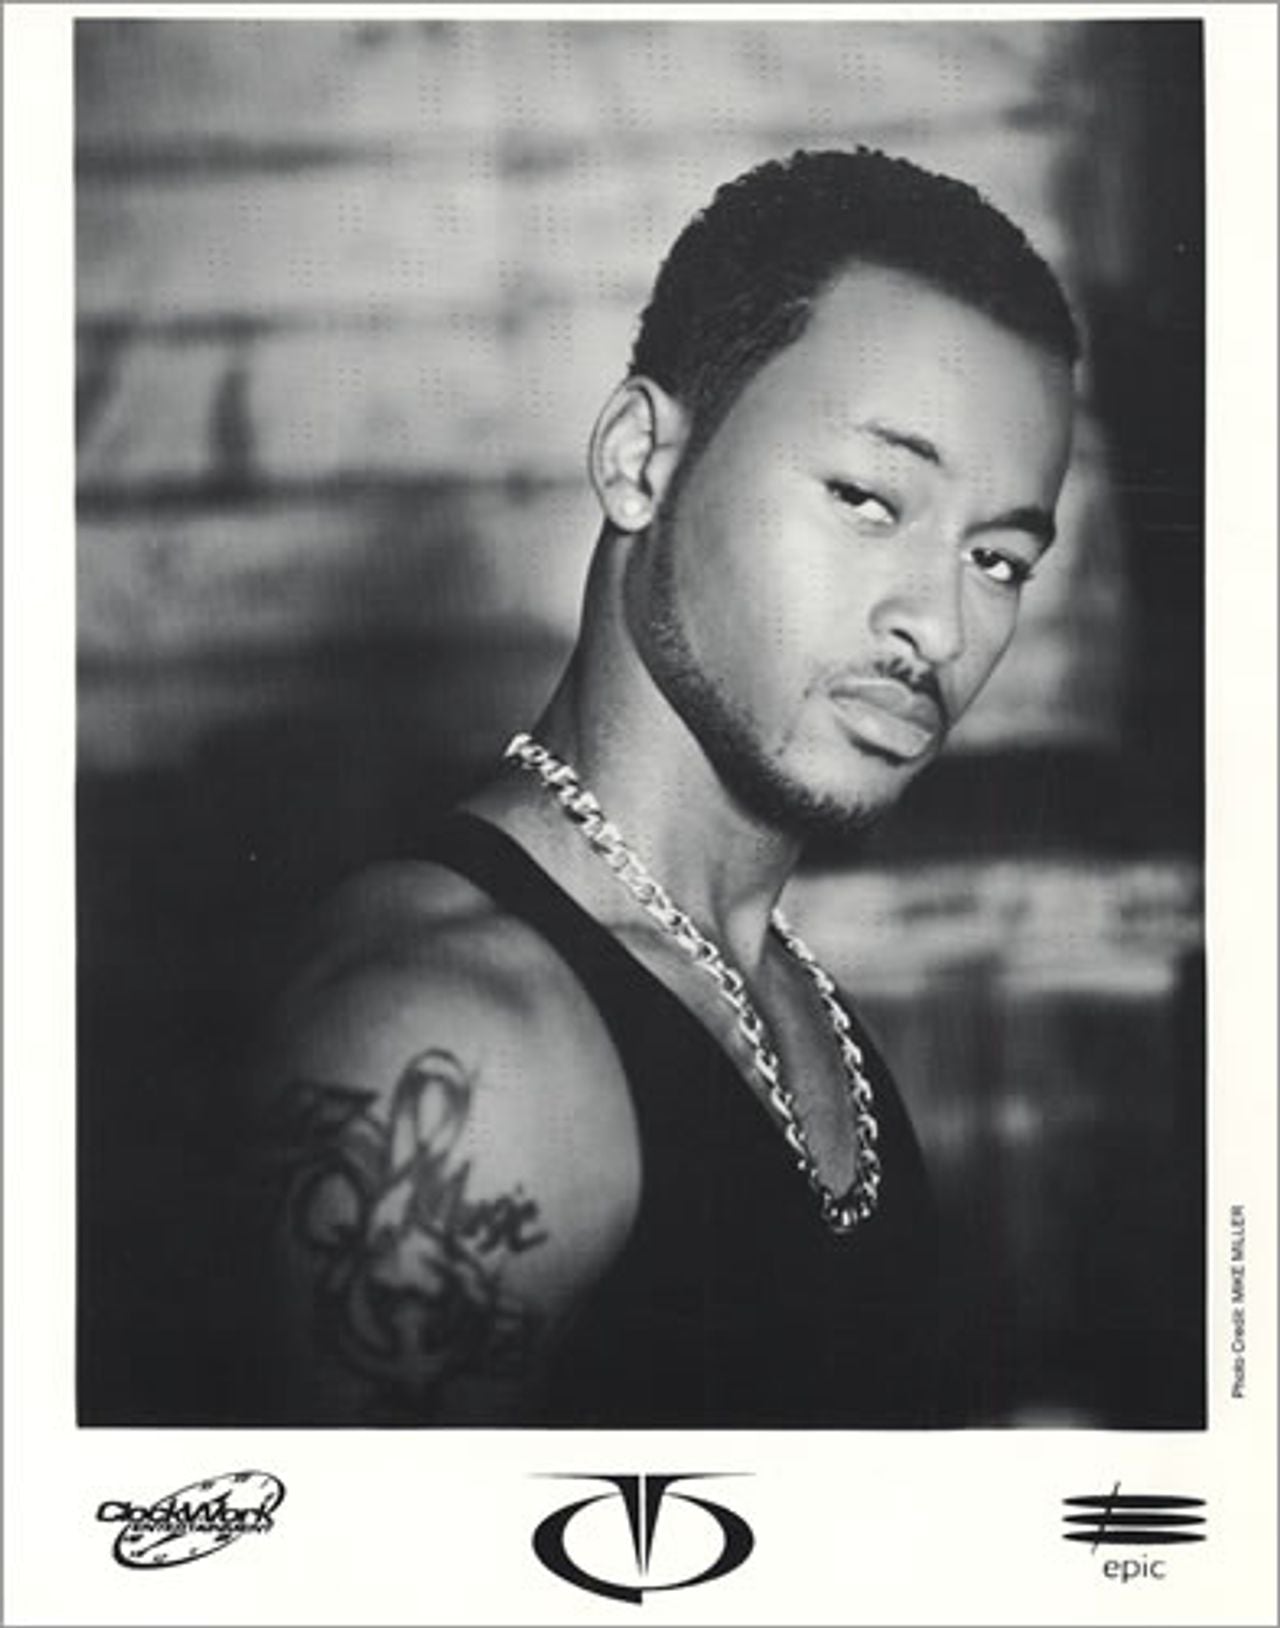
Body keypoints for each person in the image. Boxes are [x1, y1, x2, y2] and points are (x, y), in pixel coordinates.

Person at [247, 147, 1078, 1427]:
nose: (939, 621)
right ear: (641, 459)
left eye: (999, 558)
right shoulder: (460, 1039)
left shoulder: (773, 989)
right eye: (867, 499)